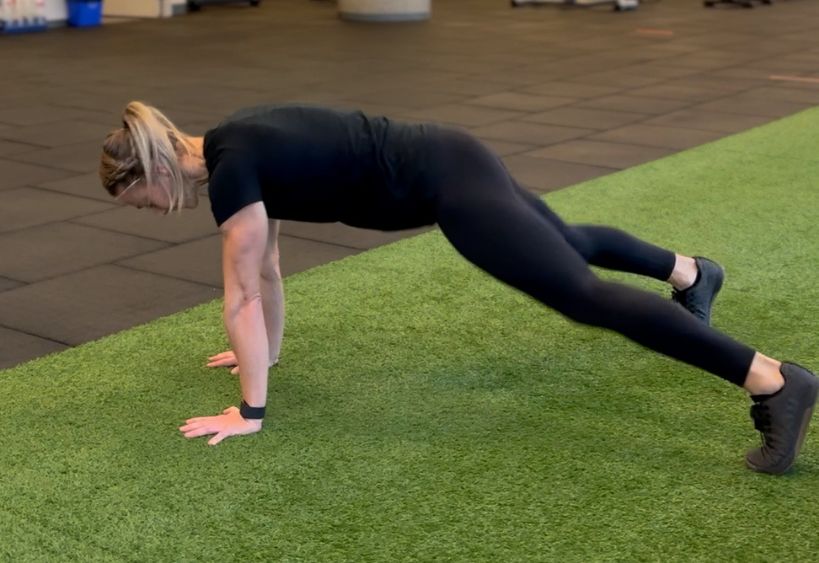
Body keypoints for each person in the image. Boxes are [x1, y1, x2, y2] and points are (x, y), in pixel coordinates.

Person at [99, 100, 817, 474]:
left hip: (444, 185)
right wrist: (267, 358)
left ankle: (769, 379)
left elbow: (243, 293)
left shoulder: (231, 174)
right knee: (562, 244)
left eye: (131, 199)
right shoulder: (235, 145)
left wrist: (249, 411)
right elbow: (268, 272)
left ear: (148, 172)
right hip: (450, 154)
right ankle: (690, 271)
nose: (141, 211)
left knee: (579, 293)